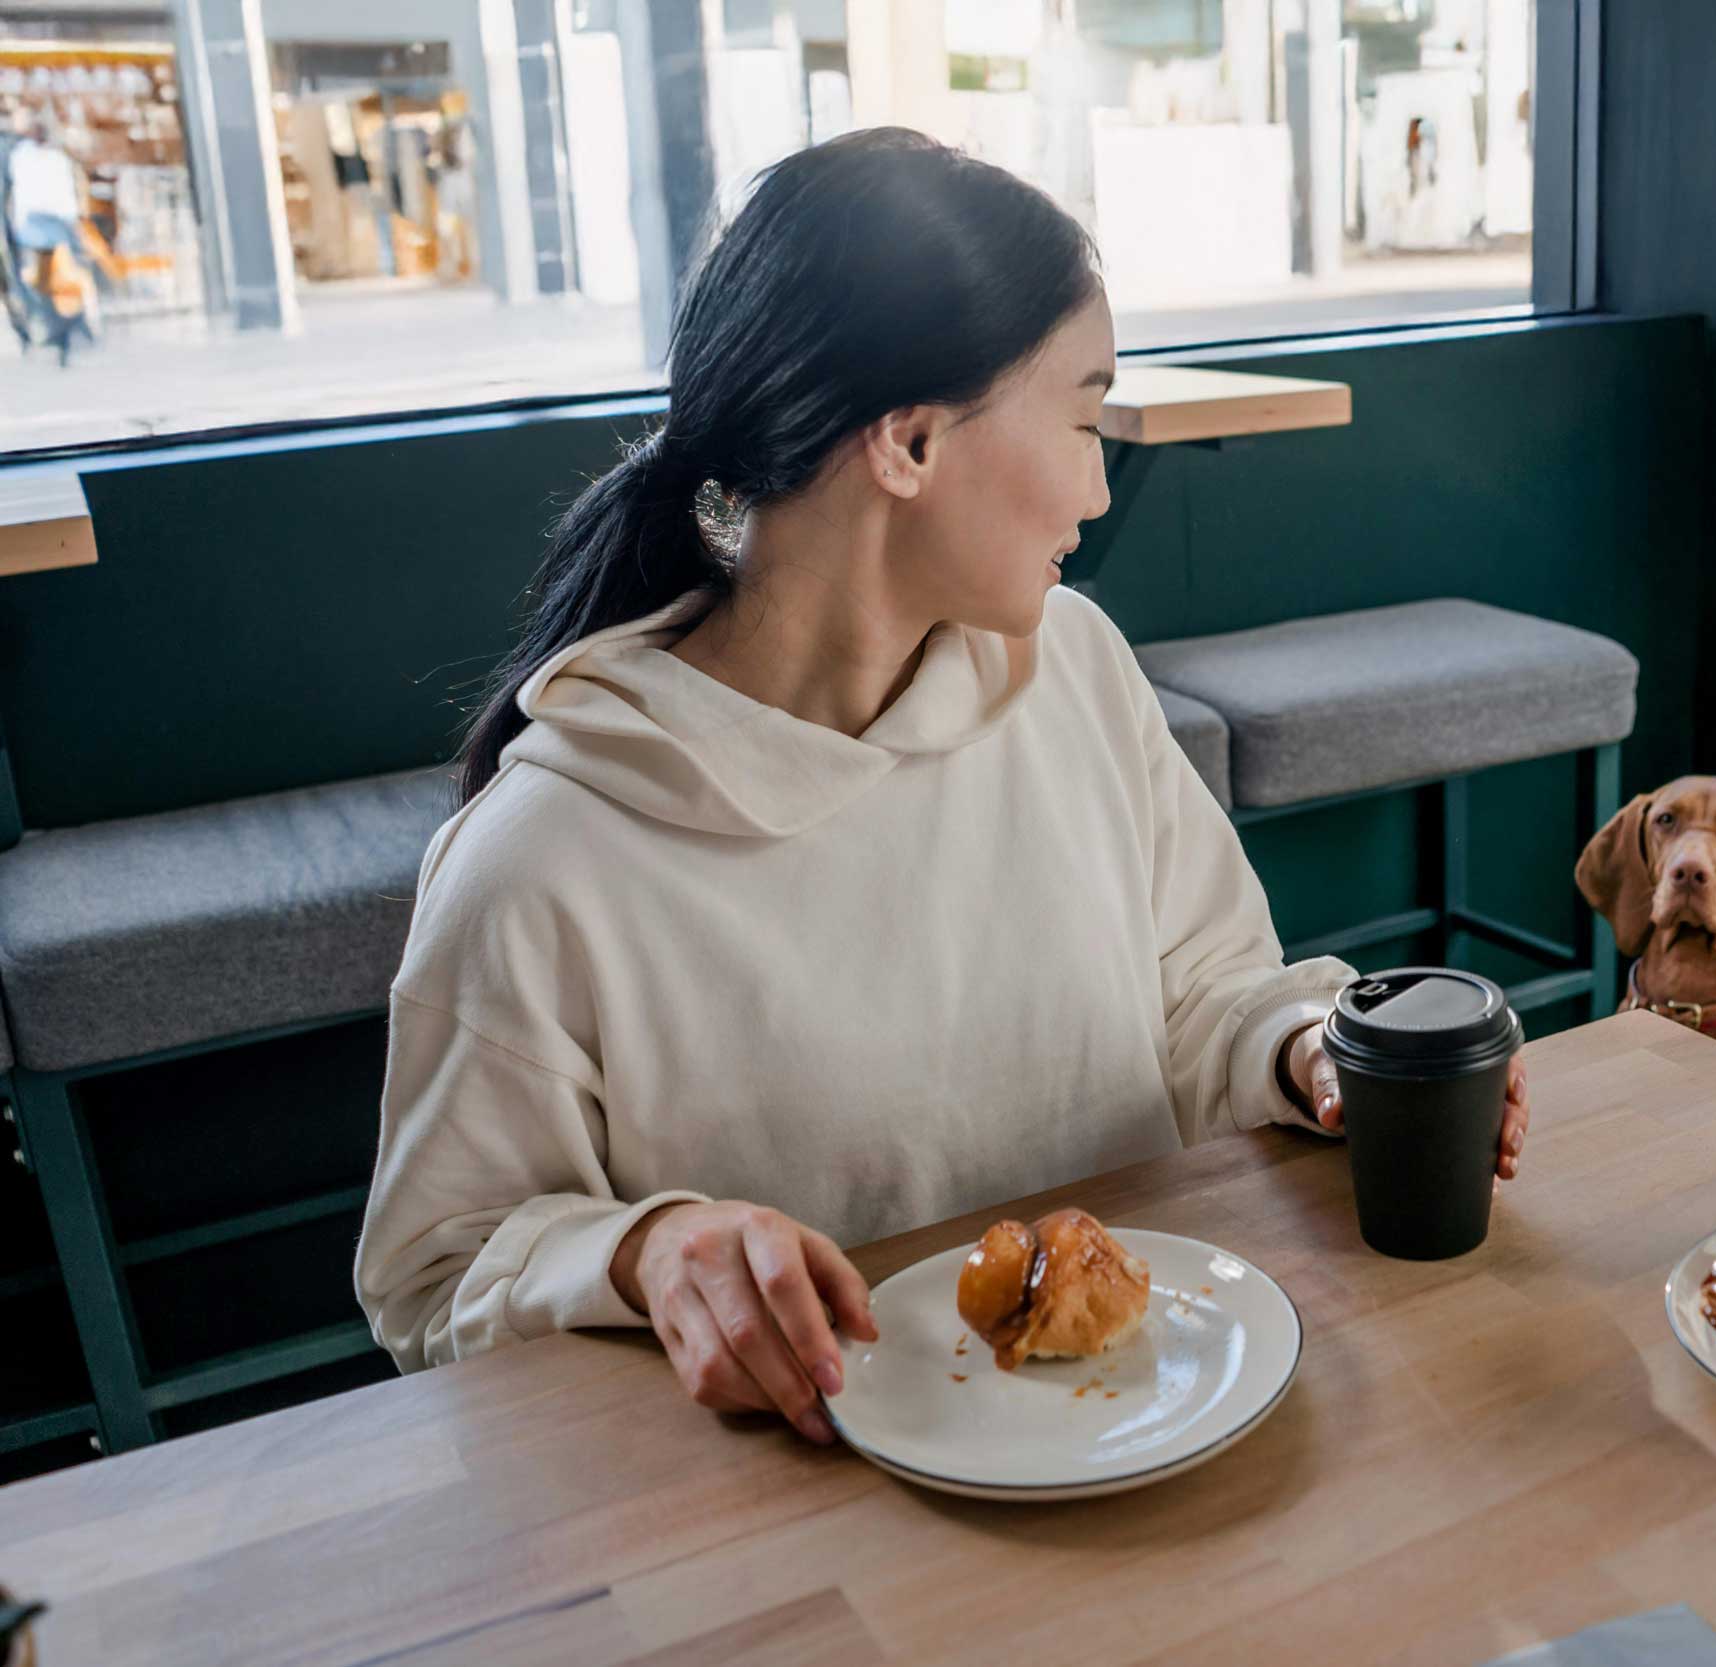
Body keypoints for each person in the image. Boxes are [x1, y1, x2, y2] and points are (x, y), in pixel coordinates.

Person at [354, 129, 1532, 1444]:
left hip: (1143, 1428)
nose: (1097, 482)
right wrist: (642, 1251)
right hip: (807, 1535)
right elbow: (432, 1278)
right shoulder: (547, 854)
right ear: (909, 441)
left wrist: (1311, 1050)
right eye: (1084, 418)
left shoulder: (1071, 667)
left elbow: (1203, 997)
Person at [4, 113, 102, 365]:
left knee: (63, 275)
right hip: (37, 224)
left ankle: (74, 322)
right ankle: (60, 323)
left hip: (50, 223)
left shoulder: (38, 157)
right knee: (42, 279)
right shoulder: (22, 156)